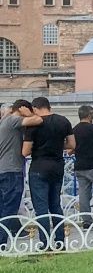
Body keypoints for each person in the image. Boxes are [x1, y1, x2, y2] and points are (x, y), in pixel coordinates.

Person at [21, 97, 75, 248]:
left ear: (35, 108)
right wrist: (57, 146)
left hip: (39, 166)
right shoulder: (63, 121)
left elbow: (25, 151)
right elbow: (72, 144)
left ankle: (45, 242)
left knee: (41, 208)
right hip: (57, 166)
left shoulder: (33, 125)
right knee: (55, 205)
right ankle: (60, 241)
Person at [1, 100, 43, 250]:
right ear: (21, 108)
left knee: (3, 207)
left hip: (4, 169)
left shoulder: (5, 121)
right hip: (11, 171)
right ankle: (1, 243)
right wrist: (30, 114)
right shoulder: (13, 120)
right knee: (9, 208)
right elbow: (38, 120)